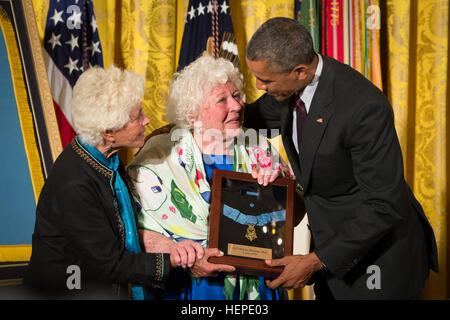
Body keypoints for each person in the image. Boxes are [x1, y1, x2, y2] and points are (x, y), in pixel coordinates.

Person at [243, 17, 439, 299]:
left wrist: (313, 261)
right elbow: (249, 118)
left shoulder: (363, 108)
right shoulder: (286, 90)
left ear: (299, 71)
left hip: (380, 257)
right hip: (332, 252)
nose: (260, 86)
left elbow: (384, 205)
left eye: (266, 80)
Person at [126, 55, 293, 300]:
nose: (236, 106)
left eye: (236, 96)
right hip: (189, 285)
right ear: (193, 114)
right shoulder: (159, 156)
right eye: (222, 100)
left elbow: (291, 217)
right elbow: (130, 228)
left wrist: (278, 190)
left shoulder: (258, 146)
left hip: (256, 286)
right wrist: (180, 252)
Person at [23, 66, 182, 299]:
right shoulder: (75, 183)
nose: (146, 120)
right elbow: (110, 264)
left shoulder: (103, 159)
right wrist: (173, 260)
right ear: (108, 132)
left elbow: (120, 231)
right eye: (137, 116)